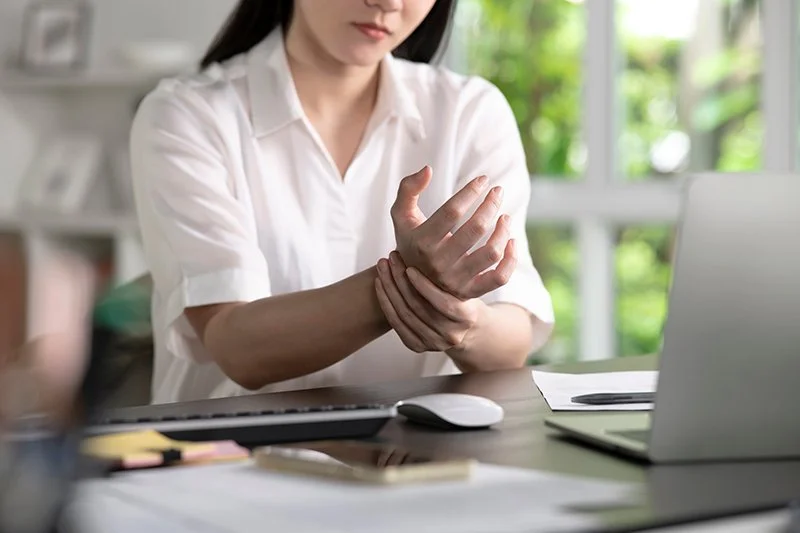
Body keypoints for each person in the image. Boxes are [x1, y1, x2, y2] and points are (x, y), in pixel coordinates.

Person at [130, 0, 555, 404]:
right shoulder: (186, 115)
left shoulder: (470, 112)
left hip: (415, 459)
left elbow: (510, 340)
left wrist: (467, 325)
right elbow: (237, 346)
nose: (388, 3)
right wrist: (409, 282)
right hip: (227, 462)